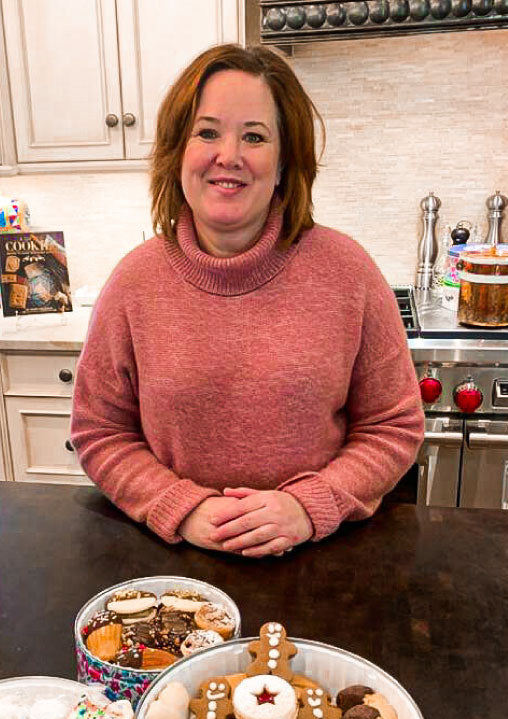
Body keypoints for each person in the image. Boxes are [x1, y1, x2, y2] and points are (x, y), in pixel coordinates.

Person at [70, 44, 424, 558]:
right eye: (207, 132)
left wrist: (308, 506)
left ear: (283, 164)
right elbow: (99, 431)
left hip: (320, 557)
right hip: (176, 563)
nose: (228, 155)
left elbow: (394, 426)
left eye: (254, 136)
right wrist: (181, 507)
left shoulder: (349, 273)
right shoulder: (133, 283)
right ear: (178, 154)